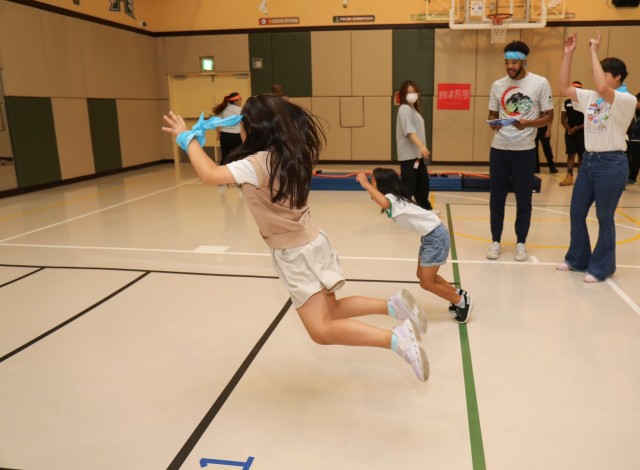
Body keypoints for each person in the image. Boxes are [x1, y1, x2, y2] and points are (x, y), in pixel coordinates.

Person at [162, 94, 430, 381]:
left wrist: (186, 137)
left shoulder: (258, 163)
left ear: (254, 129)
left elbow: (209, 174)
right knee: (333, 309)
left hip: (294, 253)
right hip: (314, 240)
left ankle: (397, 339)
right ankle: (393, 305)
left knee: (321, 330)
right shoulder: (291, 152)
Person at [556, 32, 638, 283]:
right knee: (576, 212)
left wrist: (593, 51)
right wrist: (568, 55)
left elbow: (602, 87)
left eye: (605, 73)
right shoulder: (591, 97)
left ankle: (602, 267)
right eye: (598, 72)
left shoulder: (626, 100)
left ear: (618, 78)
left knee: (604, 217)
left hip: (611, 164)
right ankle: (577, 259)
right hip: (589, 162)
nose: (599, 78)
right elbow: (563, 88)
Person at [356, 168, 473, 324]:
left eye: (373, 182)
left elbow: (383, 201)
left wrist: (365, 185)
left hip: (436, 236)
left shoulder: (392, 199)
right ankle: (458, 294)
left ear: (382, 184)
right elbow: (380, 200)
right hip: (430, 236)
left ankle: (461, 301)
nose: (371, 184)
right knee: (423, 276)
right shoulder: (394, 199)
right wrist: (370, 188)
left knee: (426, 282)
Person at [486, 40, 554, 262]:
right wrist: (494, 123)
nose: (509, 66)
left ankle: (521, 243)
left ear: (524, 61)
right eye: (506, 62)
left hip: (525, 150)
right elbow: (491, 115)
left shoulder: (540, 83)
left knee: (524, 199)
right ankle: (495, 241)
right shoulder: (497, 85)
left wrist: (528, 124)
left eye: (514, 61)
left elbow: (549, 117)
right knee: (497, 198)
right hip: (499, 148)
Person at [396, 80, 439, 214]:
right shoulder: (404, 109)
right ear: (403, 94)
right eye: (409, 92)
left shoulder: (413, 109)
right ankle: (403, 211)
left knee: (422, 183)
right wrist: (421, 146)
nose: (412, 94)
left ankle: (425, 209)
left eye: (414, 91)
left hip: (417, 155)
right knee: (409, 184)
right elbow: (409, 131)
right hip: (409, 155)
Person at [559, 81, 586, 187]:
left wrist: (578, 128)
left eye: (579, 89)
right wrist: (569, 129)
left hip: (582, 133)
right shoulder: (566, 103)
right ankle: (569, 176)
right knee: (571, 155)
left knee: (581, 155)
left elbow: (590, 119)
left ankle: (581, 178)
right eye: (574, 89)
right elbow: (562, 119)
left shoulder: (586, 103)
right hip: (570, 133)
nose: (577, 91)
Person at [212, 92, 243, 164]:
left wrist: (219, 132)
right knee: (236, 158)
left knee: (225, 157)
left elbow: (216, 122)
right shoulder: (240, 110)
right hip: (236, 136)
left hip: (224, 135)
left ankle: (221, 174)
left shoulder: (223, 109)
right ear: (235, 101)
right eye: (240, 99)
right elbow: (243, 122)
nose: (241, 101)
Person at [627, 93, 640, 185]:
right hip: (631, 140)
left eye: (637, 101)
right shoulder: (633, 112)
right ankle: (629, 177)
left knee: (636, 160)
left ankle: (632, 177)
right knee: (630, 159)